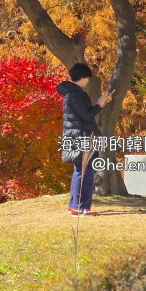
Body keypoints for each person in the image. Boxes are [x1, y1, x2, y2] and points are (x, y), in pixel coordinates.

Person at [57, 62, 112, 217]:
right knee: (85, 172)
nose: (88, 81)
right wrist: (99, 104)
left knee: (79, 171)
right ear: (82, 77)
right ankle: (81, 207)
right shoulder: (76, 94)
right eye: (87, 78)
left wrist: (99, 104)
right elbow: (87, 115)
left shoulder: (71, 93)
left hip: (77, 136)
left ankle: (74, 205)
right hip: (82, 137)